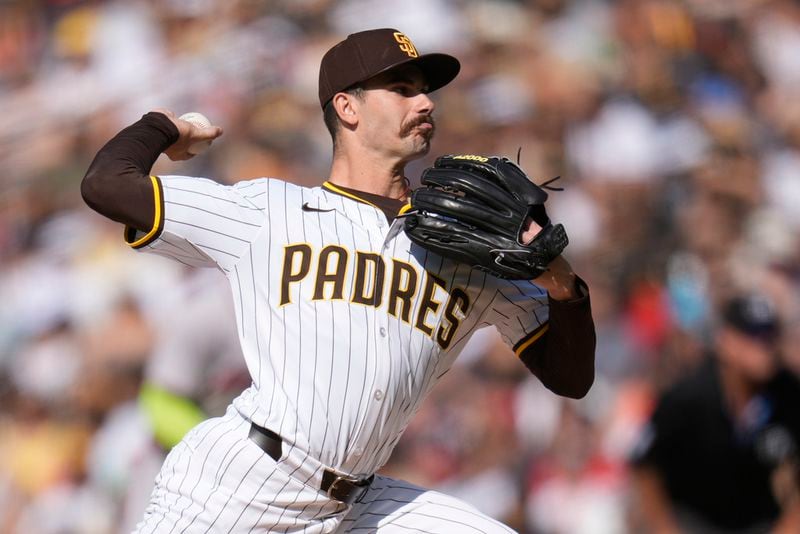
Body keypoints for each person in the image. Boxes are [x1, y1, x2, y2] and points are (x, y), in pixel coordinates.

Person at [81, 28, 596, 533]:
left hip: (357, 504)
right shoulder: (269, 211)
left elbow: (570, 380)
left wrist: (559, 281)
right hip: (240, 485)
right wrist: (164, 127)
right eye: (402, 89)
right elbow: (106, 184)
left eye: (424, 90)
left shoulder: (467, 249)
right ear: (347, 108)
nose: (425, 103)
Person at [630, 293, 800, 534]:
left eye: (770, 336)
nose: (765, 347)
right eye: (753, 336)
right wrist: (664, 528)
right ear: (726, 340)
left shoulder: (789, 394)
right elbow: (645, 463)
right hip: (694, 520)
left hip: (759, 522)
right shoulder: (689, 397)